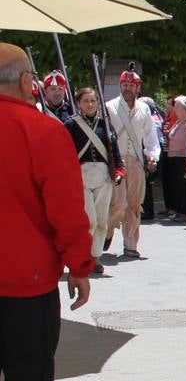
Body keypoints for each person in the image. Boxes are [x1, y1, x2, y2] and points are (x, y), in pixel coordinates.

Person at [0, 43, 94, 381]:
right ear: (24, 82)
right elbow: (65, 210)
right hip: (26, 283)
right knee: (28, 378)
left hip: (23, 278)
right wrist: (80, 265)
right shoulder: (43, 131)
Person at [64, 87, 125, 275]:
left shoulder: (105, 124)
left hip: (103, 175)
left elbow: (114, 149)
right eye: (86, 101)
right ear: (78, 104)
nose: (90, 104)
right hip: (81, 176)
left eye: (93, 101)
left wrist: (119, 170)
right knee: (88, 220)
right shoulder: (71, 125)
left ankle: (95, 257)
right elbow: (65, 154)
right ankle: (82, 255)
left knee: (101, 220)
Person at [104, 68, 160, 260]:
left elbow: (150, 136)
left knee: (135, 205)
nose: (127, 88)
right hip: (116, 161)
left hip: (136, 159)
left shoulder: (144, 109)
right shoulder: (109, 107)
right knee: (118, 203)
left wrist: (152, 155)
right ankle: (108, 230)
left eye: (131, 85)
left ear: (137, 87)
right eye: (125, 85)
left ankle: (130, 244)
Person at [163, 96, 186, 222]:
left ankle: (185, 213)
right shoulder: (180, 120)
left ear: (185, 109)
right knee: (177, 186)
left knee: (184, 186)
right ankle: (179, 211)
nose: (175, 109)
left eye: (177, 106)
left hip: (183, 159)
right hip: (175, 158)